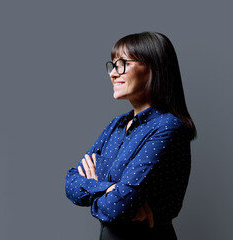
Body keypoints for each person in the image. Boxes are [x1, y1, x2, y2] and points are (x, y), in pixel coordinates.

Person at [65, 32, 196, 240]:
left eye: (123, 64)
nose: (113, 74)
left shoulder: (168, 127)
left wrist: (101, 189)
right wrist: (110, 188)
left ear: (155, 67)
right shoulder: (115, 125)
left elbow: (118, 206)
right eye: (113, 65)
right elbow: (71, 181)